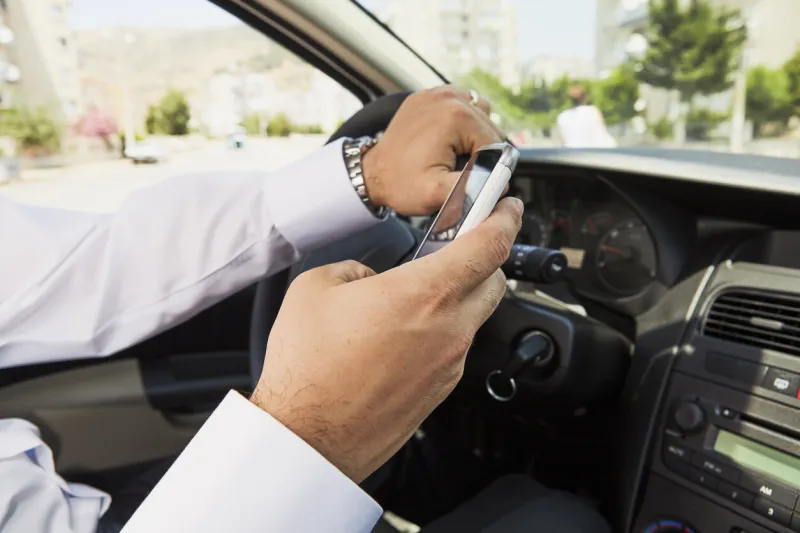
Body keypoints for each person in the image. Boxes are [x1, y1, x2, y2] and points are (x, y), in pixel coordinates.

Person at [0, 87, 609, 533]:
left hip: (85, 507)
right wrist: (310, 436)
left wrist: (365, 173)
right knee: (556, 520)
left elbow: (97, 265)